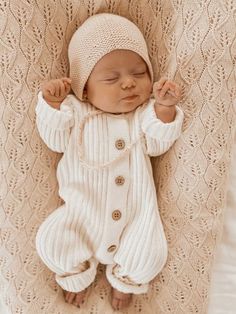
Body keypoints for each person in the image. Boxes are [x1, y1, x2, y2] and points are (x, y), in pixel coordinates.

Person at [35, 13, 184, 311]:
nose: (128, 83)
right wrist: (51, 105)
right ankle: (75, 275)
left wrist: (165, 110)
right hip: (80, 216)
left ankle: (126, 282)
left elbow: (157, 145)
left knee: (149, 253)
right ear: (85, 88)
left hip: (134, 217)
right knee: (52, 241)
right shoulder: (75, 113)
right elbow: (54, 140)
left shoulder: (141, 117)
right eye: (111, 78)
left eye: (139, 73)